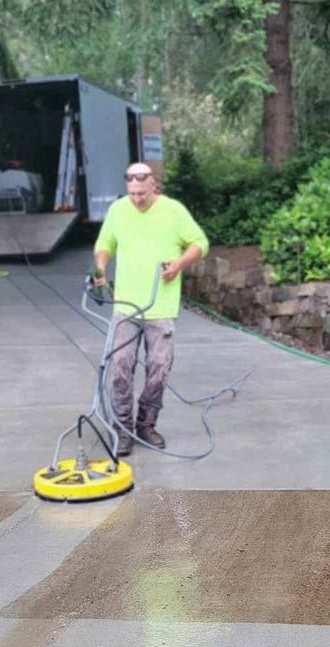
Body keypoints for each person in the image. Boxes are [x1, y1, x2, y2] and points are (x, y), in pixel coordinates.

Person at [93, 163, 208, 457]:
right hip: (126, 305)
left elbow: (200, 243)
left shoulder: (173, 211)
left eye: (142, 193)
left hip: (161, 305)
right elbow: (105, 243)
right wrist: (100, 268)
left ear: (153, 185)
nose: (137, 199)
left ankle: (146, 424)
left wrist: (180, 264)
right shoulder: (118, 210)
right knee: (120, 365)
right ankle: (122, 429)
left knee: (159, 367)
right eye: (132, 193)